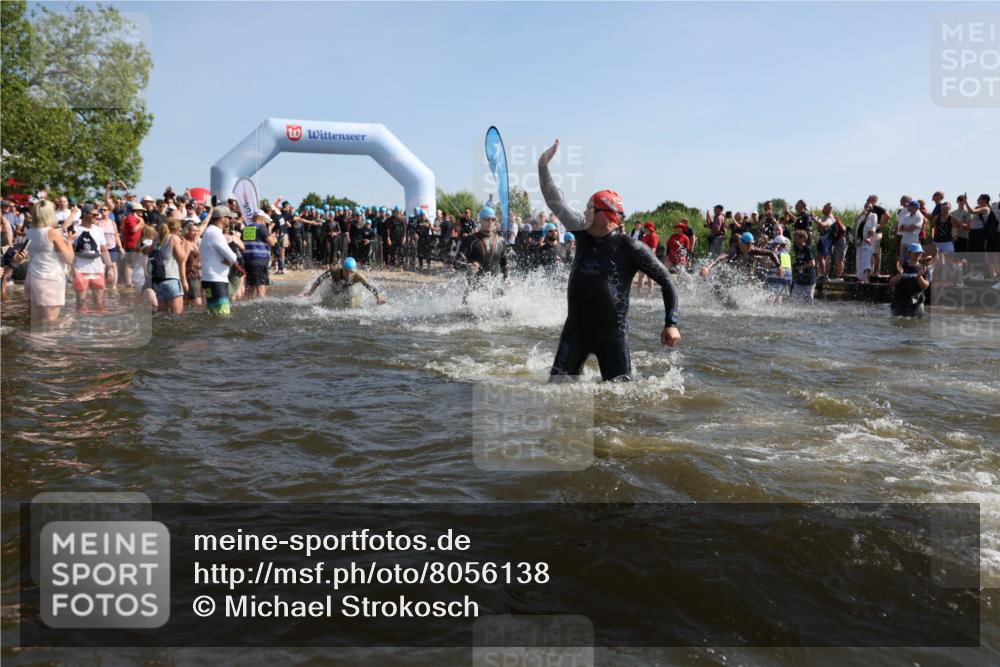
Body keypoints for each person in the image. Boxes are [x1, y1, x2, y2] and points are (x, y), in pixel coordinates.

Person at [539, 139, 681, 382]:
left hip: (612, 336)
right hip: (575, 331)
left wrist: (671, 323)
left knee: (620, 399)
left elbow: (667, 281)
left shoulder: (631, 247)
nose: (583, 211)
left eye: (589, 208)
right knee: (555, 390)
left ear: (606, 215)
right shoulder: (581, 232)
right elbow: (554, 201)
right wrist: (543, 165)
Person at [23, 200, 74, 323]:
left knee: (34, 320)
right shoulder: (52, 233)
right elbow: (69, 259)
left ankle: (32, 342)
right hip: (49, 280)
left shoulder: (29, 232)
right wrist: (69, 242)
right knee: (51, 321)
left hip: (31, 278)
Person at [201, 205, 244, 316]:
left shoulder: (208, 231)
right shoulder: (215, 233)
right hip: (217, 281)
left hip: (208, 280)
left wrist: (228, 259)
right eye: (229, 217)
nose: (230, 220)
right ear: (222, 218)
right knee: (222, 315)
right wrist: (230, 259)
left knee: (212, 314)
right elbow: (232, 257)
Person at [70, 204, 113, 313]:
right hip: (80, 270)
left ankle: (99, 327)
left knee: (99, 302)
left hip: (97, 269)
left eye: (97, 214)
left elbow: (104, 249)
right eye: (94, 214)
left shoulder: (99, 230)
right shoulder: (75, 229)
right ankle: (81, 327)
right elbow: (69, 250)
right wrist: (71, 268)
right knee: (81, 302)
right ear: (85, 214)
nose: (97, 216)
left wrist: (110, 267)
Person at [303, 256, 387, 304]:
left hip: (348, 290)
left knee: (349, 301)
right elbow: (319, 279)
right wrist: (310, 293)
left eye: (352, 272)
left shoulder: (357, 276)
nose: (350, 274)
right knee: (328, 301)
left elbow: (370, 287)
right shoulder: (335, 270)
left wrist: (378, 298)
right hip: (334, 287)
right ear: (343, 268)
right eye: (347, 272)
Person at [149, 218, 188, 314]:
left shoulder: (156, 239)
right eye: (179, 229)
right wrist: (183, 245)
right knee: (177, 315)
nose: (180, 231)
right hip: (171, 279)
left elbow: (149, 253)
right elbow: (182, 259)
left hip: (158, 281)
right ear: (175, 228)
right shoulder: (173, 238)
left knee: (162, 314)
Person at [889, 243, 931, 318]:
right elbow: (891, 283)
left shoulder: (923, 269)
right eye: (916, 252)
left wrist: (919, 276)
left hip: (916, 303)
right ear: (909, 253)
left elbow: (925, 286)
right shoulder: (900, 266)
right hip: (899, 302)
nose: (919, 254)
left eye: (920, 252)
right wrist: (900, 274)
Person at [241, 209, 276, 299]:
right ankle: (262, 306)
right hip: (259, 260)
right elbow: (271, 243)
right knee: (261, 285)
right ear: (262, 218)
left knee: (251, 286)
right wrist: (273, 237)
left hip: (248, 261)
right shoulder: (261, 227)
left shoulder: (246, 228)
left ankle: (248, 306)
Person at [854, 204, 878, 283]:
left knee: (866, 260)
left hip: (867, 241)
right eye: (866, 207)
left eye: (869, 207)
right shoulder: (862, 216)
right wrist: (862, 214)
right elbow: (855, 220)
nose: (867, 209)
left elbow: (873, 227)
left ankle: (866, 278)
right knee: (859, 259)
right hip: (859, 240)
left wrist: (870, 238)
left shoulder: (873, 216)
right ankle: (860, 278)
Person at [791, 230, 817, 301]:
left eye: (796, 238)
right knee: (794, 298)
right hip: (800, 279)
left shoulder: (808, 249)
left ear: (803, 239)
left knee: (808, 300)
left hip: (809, 280)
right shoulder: (797, 249)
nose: (795, 240)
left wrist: (801, 267)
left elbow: (812, 263)